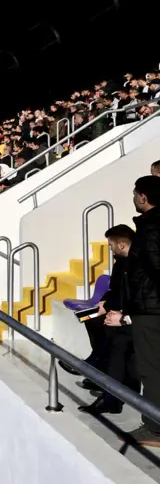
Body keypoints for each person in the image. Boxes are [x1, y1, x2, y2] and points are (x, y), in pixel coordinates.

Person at [113, 176, 160, 446]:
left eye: (135, 194)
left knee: (152, 367)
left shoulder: (151, 228)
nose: (133, 198)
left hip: (151, 310)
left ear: (143, 197)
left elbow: (155, 268)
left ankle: (154, 428)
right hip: (151, 307)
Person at [79, 224, 138, 415]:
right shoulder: (120, 262)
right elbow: (116, 290)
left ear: (121, 245)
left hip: (132, 316)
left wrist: (119, 314)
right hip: (118, 308)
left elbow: (134, 297)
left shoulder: (138, 264)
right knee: (87, 317)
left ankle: (96, 368)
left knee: (113, 333)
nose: (110, 249)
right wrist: (104, 304)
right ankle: (97, 364)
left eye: (111, 245)